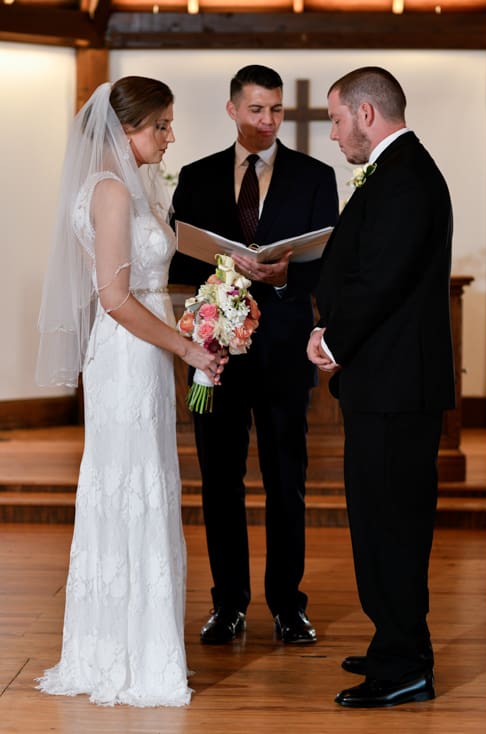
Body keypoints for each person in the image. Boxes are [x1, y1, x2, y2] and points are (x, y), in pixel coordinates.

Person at [35, 77, 224, 707]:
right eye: (161, 126)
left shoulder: (128, 188)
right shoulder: (112, 192)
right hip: (127, 356)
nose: (170, 137)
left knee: (146, 488)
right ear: (127, 127)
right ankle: (127, 656)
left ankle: (140, 644)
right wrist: (188, 347)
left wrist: (202, 317)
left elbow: (140, 289)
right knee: (130, 489)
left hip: (143, 353)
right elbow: (114, 300)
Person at [169, 64, 338, 646]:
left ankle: (289, 606)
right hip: (214, 351)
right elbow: (180, 264)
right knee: (219, 479)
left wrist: (287, 274)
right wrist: (222, 272)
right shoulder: (196, 177)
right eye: (256, 110)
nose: (267, 121)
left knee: (286, 479)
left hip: (284, 349)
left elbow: (330, 263)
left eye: (276, 111)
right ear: (232, 110)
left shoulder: (315, 177)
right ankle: (228, 605)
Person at [307, 66, 454, 708]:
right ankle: (394, 640)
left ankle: (405, 667)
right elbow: (363, 266)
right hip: (387, 383)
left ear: (367, 114)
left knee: (391, 526)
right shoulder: (399, 172)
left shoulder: (404, 178)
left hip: (395, 387)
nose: (335, 135)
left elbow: (382, 280)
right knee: (377, 522)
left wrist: (332, 342)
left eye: (337, 121)